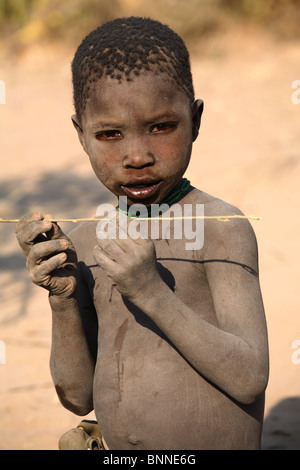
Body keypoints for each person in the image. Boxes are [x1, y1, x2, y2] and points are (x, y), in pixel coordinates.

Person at [15, 17, 269, 450]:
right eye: (109, 134)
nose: (137, 156)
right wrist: (62, 299)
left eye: (161, 127)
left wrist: (151, 292)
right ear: (81, 135)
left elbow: (249, 378)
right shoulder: (85, 241)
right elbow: (77, 398)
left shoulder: (220, 228)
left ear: (195, 120)